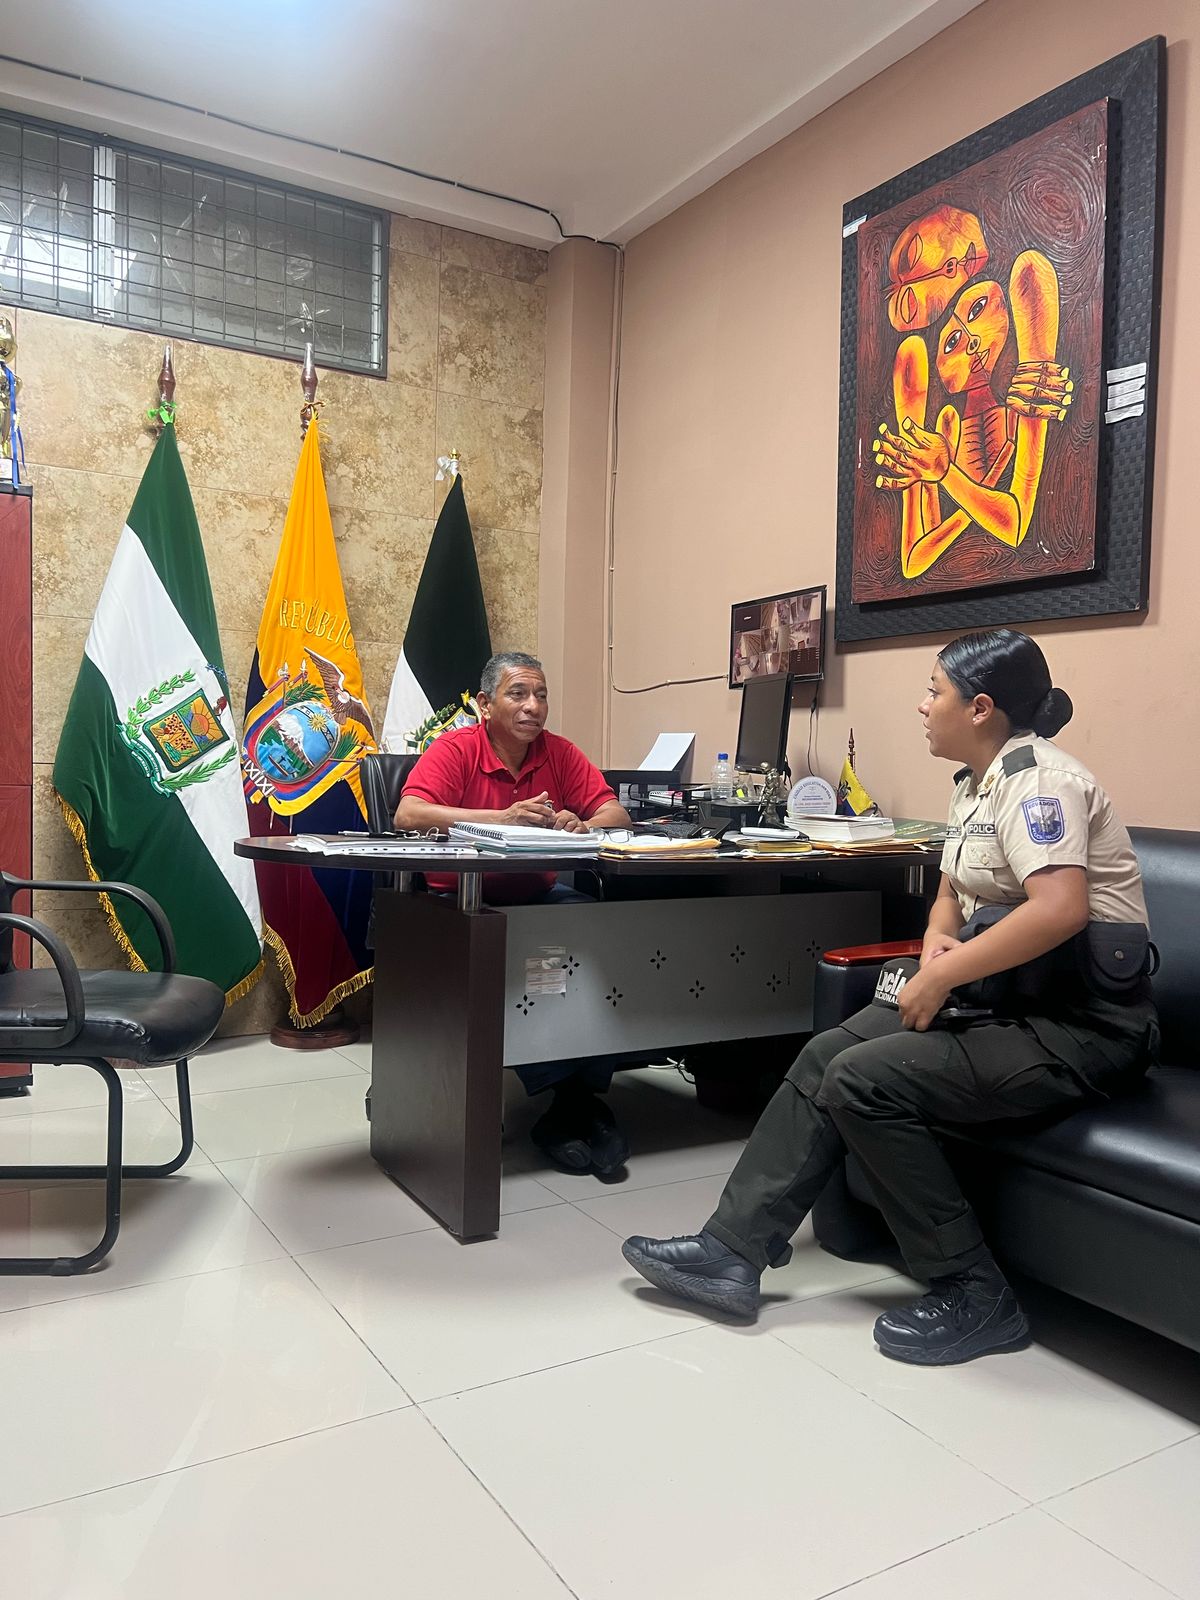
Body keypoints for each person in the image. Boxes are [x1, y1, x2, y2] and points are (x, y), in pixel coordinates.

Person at [622, 629, 1159, 1365]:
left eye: (934, 691)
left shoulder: (1041, 782)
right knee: (827, 1053)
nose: (922, 705)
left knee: (861, 1080)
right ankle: (731, 1251)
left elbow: (1060, 910)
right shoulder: (975, 782)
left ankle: (977, 1294)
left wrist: (943, 976)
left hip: (1081, 1026)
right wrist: (938, 940)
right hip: (1006, 1002)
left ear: (980, 708)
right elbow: (952, 892)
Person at [395, 651, 632, 1175]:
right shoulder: (456, 748)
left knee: (597, 932)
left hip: (536, 897)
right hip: (460, 901)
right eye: (518, 694)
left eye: (541, 695)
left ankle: (578, 1099)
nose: (533, 706)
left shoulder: (559, 752)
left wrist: (585, 825)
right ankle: (567, 1103)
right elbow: (408, 814)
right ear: (485, 704)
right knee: (528, 954)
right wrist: (499, 818)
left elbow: (617, 813)